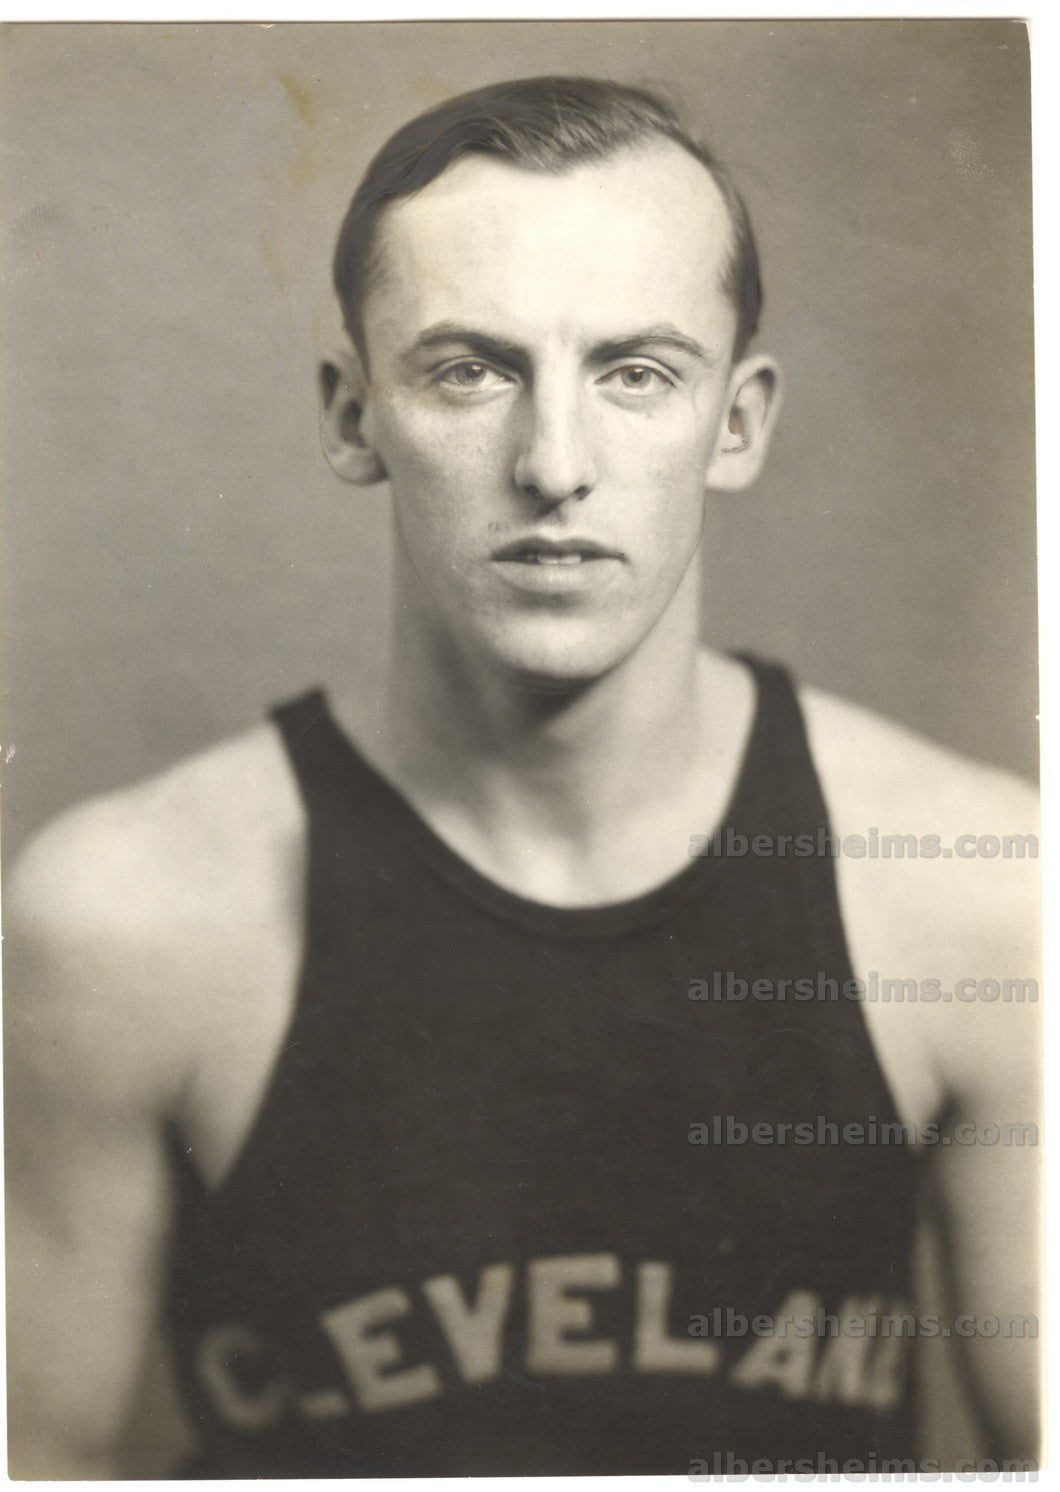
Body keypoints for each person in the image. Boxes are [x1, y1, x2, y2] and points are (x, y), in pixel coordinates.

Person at [5, 76, 1040, 1478]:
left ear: (736, 424)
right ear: (352, 419)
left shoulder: (984, 897)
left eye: (637, 373)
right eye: (467, 369)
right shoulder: (125, 920)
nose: (555, 465)